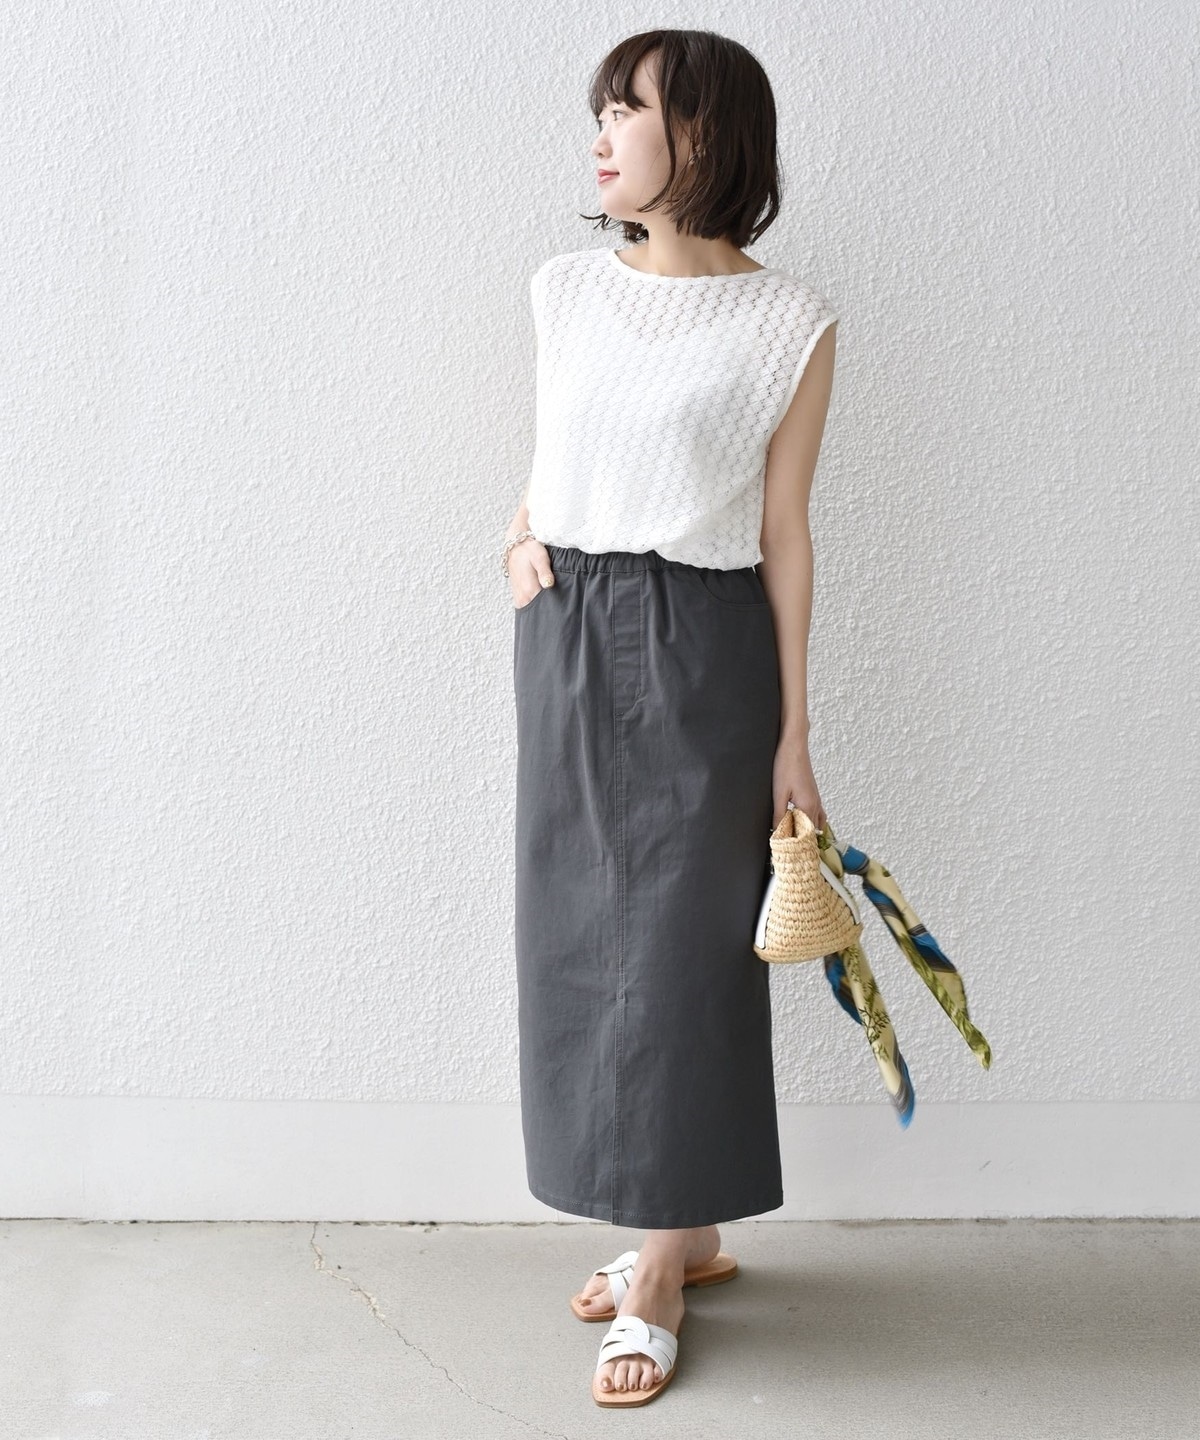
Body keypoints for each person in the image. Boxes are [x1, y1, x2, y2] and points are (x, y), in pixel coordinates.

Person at [502, 28, 839, 1407]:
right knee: (577, 934)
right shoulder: (564, 289)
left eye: (628, 109)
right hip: (569, 632)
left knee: (683, 953)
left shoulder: (789, 323)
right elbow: (559, 452)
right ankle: (684, 1226)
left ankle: (656, 1266)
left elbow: (786, 534)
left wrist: (796, 736)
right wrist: (517, 537)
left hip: (704, 643)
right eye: (600, 109)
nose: (601, 134)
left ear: (702, 133)